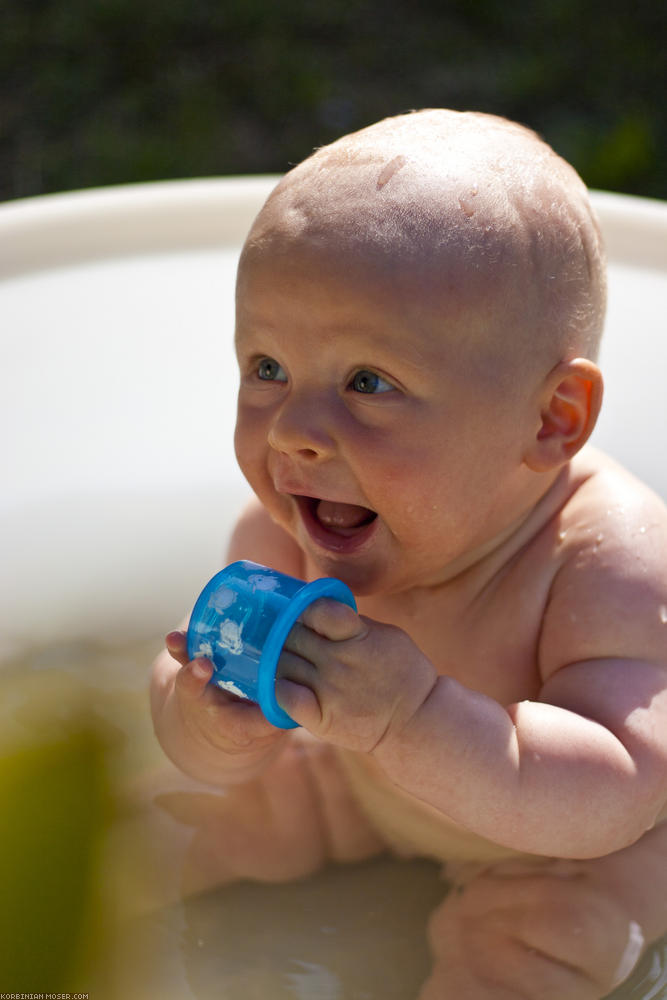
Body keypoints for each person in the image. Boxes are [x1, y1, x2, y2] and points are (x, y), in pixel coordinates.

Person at [151, 109, 667, 998]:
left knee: (542, 944)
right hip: (363, 792)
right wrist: (206, 723)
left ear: (551, 420)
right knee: (169, 833)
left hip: (563, 858)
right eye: (266, 366)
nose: (297, 433)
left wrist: (413, 719)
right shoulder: (287, 525)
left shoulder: (601, 560)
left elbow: (620, 793)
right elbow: (201, 728)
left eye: (368, 382)